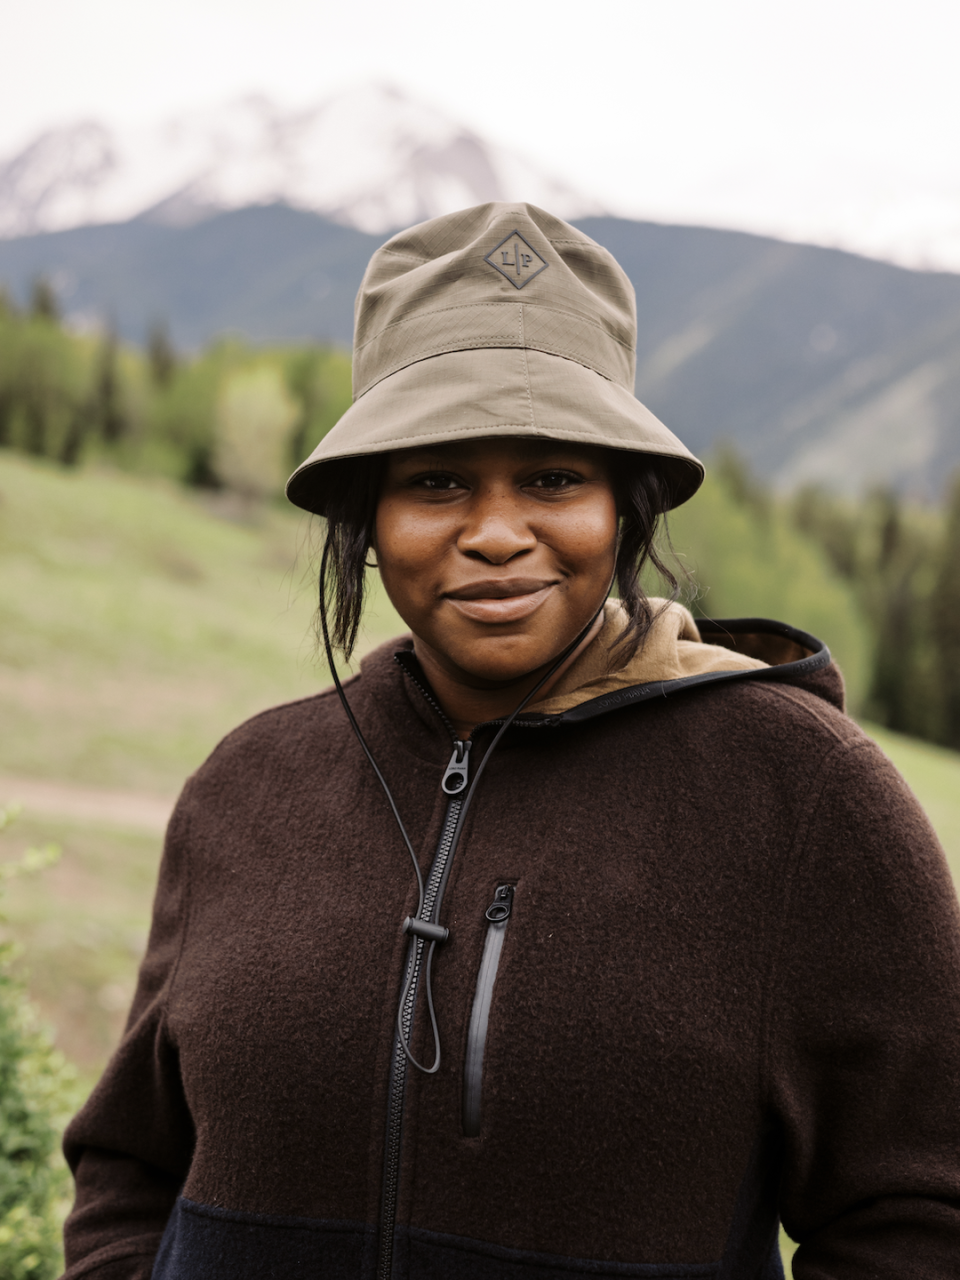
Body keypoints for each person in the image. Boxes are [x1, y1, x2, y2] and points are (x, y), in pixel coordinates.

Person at [61, 204, 960, 1280]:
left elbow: (919, 1214)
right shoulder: (247, 785)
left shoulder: (807, 795)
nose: (495, 531)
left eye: (552, 478)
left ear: (624, 510)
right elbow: (127, 1168)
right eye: (437, 479)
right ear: (368, 514)